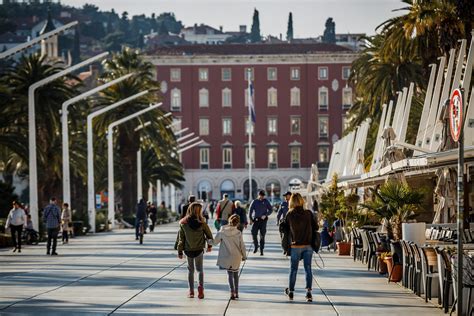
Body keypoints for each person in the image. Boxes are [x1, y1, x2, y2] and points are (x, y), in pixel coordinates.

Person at [280, 193, 319, 302]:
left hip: (295, 246)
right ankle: (309, 293)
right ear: (302, 201)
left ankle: (291, 291)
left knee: (293, 269)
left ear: (291, 201)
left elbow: (284, 228)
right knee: (308, 268)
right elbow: (316, 227)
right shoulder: (308, 213)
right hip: (308, 246)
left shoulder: (290, 214)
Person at [176, 202, 213, 299]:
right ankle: (200, 288)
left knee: (190, 271)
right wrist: (209, 246)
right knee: (200, 270)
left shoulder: (183, 223)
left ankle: (191, 291)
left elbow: (181, 239)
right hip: (199, 249)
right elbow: (209, 235)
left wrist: (180, 251)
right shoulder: (202, 223)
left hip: (188, 250)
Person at [210, 214, 247, 300]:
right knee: (235, 274)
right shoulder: (238, 233)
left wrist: (207, 240)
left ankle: (232, 292)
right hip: (237, 256)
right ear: (237, 223)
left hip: (227, 256)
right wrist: (244, 256)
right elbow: (242, 246)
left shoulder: (222, 231)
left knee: (230, 274)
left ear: (229, 221)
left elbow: (214, 242)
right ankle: (237, 292)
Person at [249, 190, 273, 256]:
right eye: (261, 195)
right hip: (256, 220)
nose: (262, 197)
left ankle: (261, 249)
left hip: (263, 221)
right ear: (258, 195)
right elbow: (250, 211)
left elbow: (271, 210)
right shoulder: (254, 201)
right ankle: (256, 246)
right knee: (253, 233)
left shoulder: (266, 201)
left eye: (263, 195)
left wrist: (266, 215)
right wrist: (250, 219)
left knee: (262, 235)